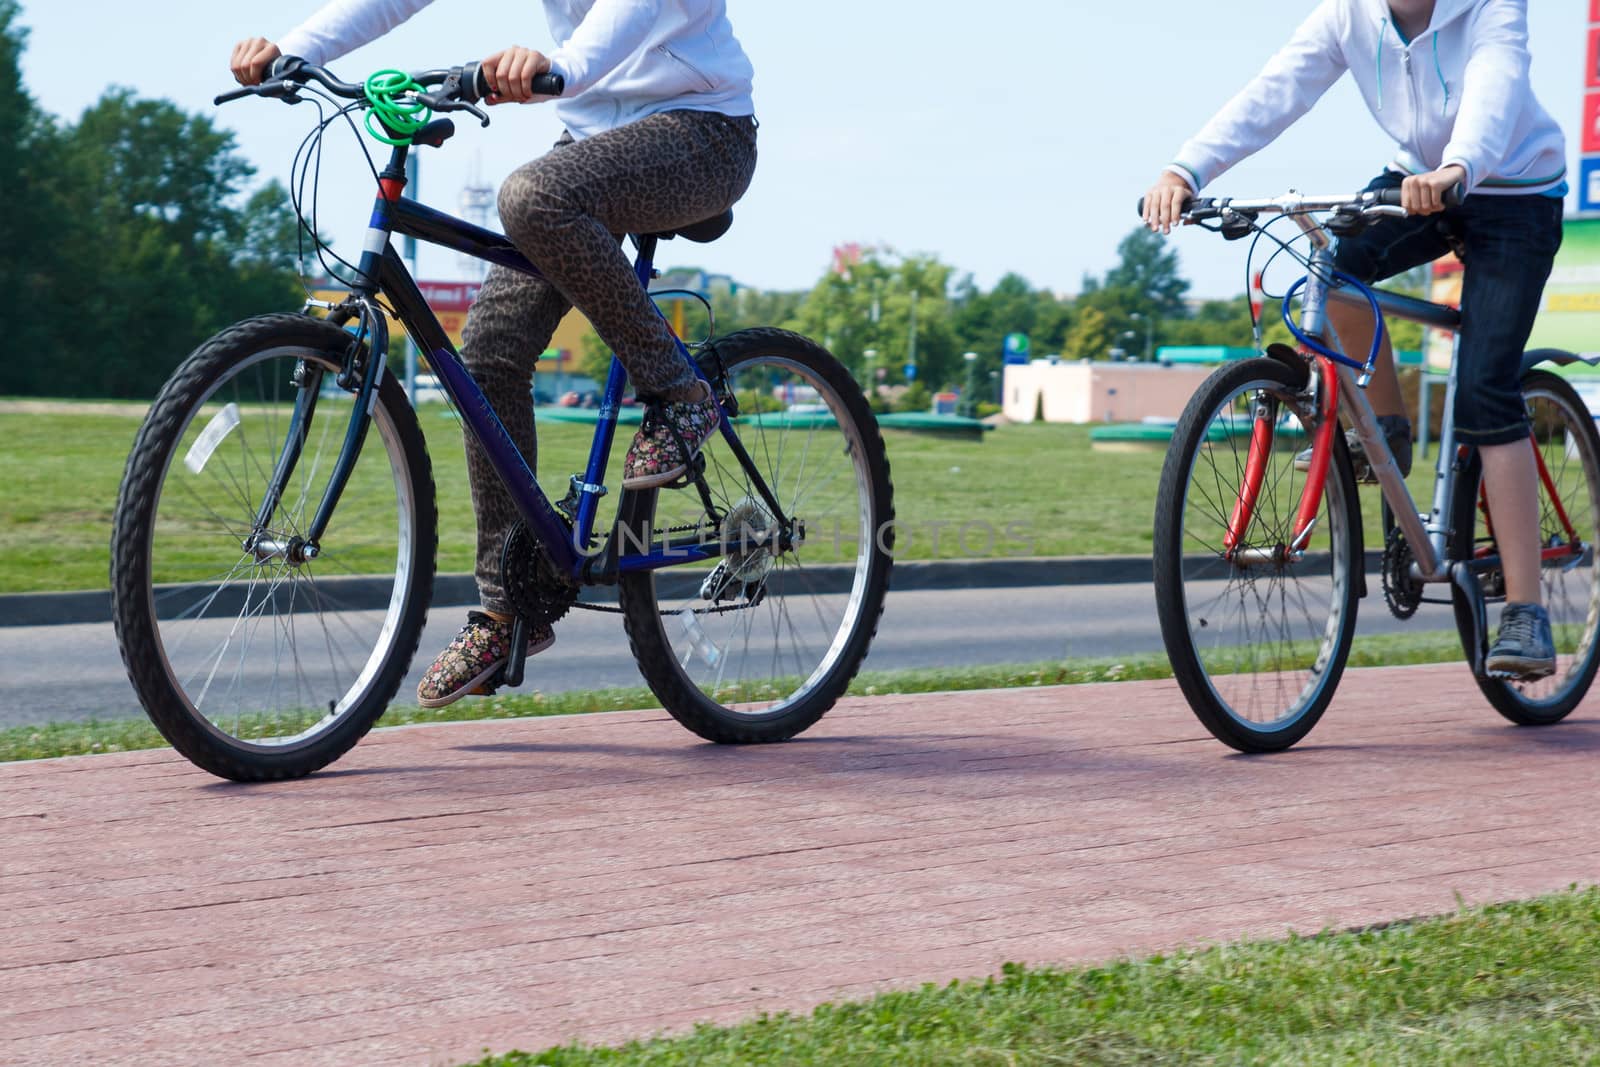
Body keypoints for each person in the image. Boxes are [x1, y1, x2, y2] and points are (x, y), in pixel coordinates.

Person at [230, 0, 758, 707]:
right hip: (593, 138)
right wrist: (295, 51)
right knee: (486, 359)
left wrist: (564, 68)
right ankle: (512, 605)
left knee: (533, 195)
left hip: (703, 134)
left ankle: (683, 397)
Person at [1142, 0, 1567, 680]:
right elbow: (1277, 89)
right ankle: (1388, 433)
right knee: (1328, 272)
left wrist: (1460, 167)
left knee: (1486, 387)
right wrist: (1186, 171)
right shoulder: (1349, 14)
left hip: (1511, 191)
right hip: (1417, 182)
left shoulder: (1490, 5)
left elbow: (1496, 82)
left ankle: (1525, 609)